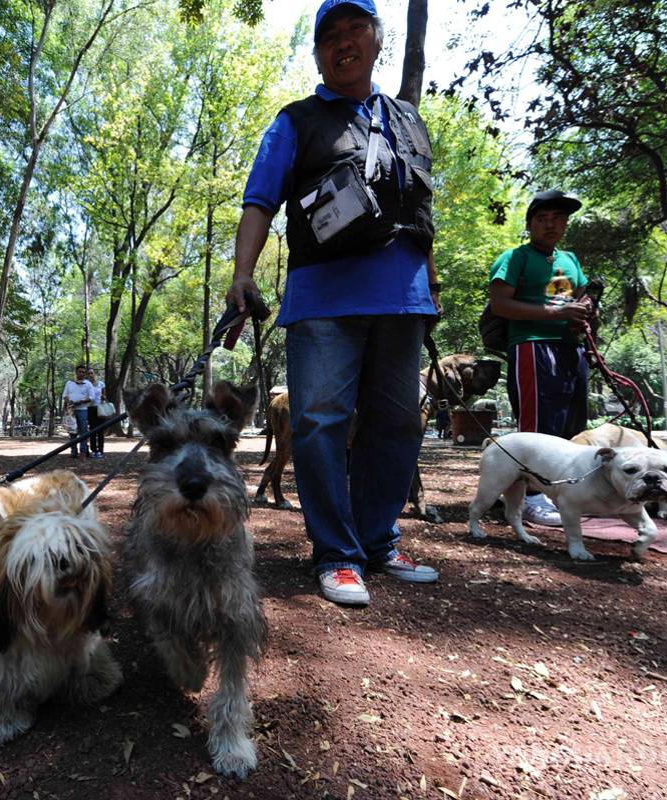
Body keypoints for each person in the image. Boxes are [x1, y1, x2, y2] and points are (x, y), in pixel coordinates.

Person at [226, 0, 440, 607]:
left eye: (356, 28)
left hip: (403, 300)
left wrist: (431, 288)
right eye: (330, 34)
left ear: (377, 40)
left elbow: (422, 215)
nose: (343, 42)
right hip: (322, 296)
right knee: (320, 423)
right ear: (318, 52)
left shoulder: (408, 121)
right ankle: (337, 554)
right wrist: (242, 275)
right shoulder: (296, 121)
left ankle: (377, 540)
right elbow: (259, 203)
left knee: (397, 422)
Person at [488, 189, 593, 527]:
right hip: (532, 346)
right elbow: (501, 305)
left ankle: (560, 494)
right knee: (536, 426)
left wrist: (586, 310)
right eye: (542, 219)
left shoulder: (570, 260)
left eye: (558, 218)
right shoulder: (515, 258)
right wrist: (555, 314)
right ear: (530, 224)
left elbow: (576, 299)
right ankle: (530, 499)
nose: (551, 224)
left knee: (570, 426)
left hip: (570, 349)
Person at [61, 364, 94, 459]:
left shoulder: (88, 384)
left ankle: (83, 452)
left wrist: (81, 402)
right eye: (80, 372)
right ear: (76, 372)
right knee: (72, 432)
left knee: (83, 431)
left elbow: (91, 397)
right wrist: (69, 403)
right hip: (71, 410)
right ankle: (73, 452)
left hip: (82, 410)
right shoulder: (69, 383)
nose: (81, 374)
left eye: (83, 372)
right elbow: (65, 395)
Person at [85, 367, 106, 459]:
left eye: (92, 373)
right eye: (88, 373)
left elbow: (105, 395)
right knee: (92, 430)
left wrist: (103, 396)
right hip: (90, 409)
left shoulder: (101, 384)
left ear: (95, 374)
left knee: (100, 430)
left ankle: (100, 451)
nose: (90, 375)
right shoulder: (86, 384)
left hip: (100, 408)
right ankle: (93, 450)